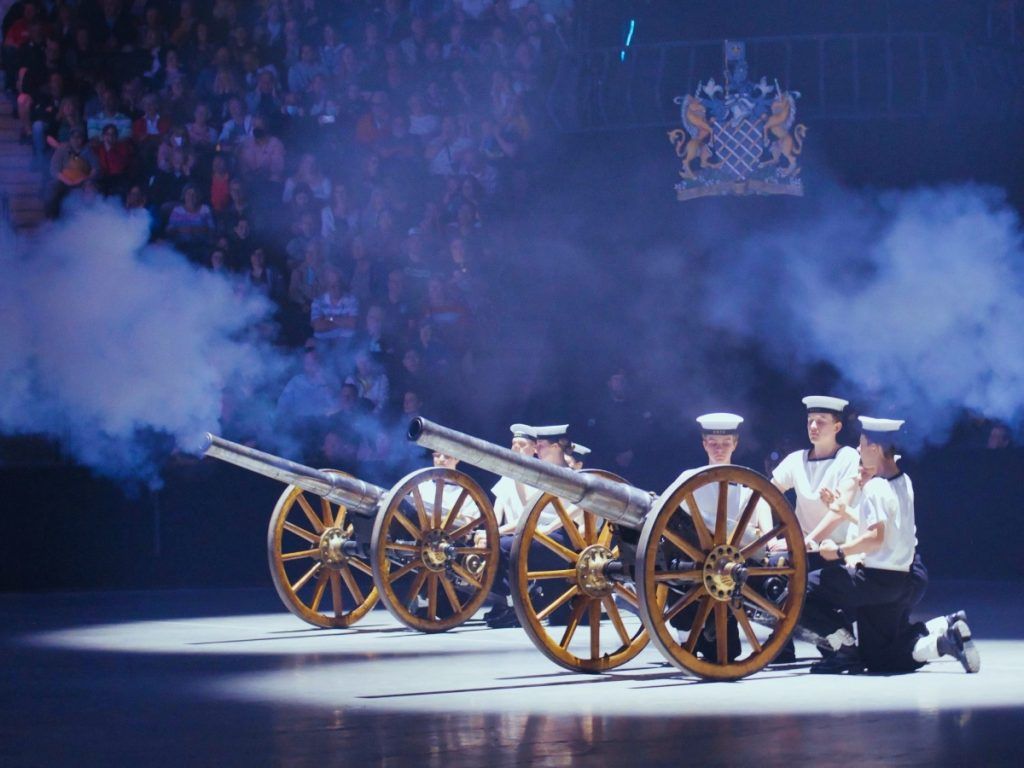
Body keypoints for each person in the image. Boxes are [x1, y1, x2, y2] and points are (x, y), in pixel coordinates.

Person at [801, 416, 979, 675]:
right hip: (900, 580)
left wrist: (838, 552)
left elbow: (876, 538)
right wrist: (845, 513)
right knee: (880, 659)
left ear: (874, 447)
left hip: (875, 580)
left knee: (802, 590)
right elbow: (890, 530)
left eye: (861, 445)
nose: (859, 451)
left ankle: (844, 649)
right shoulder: (903, 481)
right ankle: (944, 637)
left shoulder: (876, 488)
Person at [668, 413, 773, 663]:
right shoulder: (688, 480)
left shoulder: (745, 486)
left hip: (728, 572)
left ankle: (703, 635)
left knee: (727, 653)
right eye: (714, 443)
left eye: (726, 443)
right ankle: (686, 638)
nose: (719, 449)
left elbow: (754, 536)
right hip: (692, 567)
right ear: (704, 444)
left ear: (735, 444)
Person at [772, 396, 861, 552]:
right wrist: (770, 540)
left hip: (835, 550)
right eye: (810, 420)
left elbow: (840, 511)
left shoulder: (848, 456)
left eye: (821, 421)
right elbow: (765, 496)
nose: (813, 426)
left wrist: (805, 542)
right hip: (801, 551)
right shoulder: (796, 459)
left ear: (837, 427)